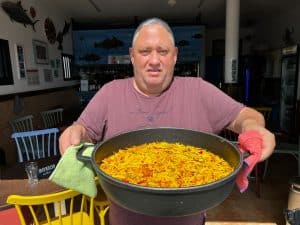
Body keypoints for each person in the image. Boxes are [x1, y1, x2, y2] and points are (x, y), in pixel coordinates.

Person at [59, 17, 275, 225]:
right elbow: (83, 131)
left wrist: (254, 129)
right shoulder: (109, 93)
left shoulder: (198, 90)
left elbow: (246, 116)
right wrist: (75, 132)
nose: (154, 60)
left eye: (163, 51)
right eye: (145, 52)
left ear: (174, 56)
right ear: (132, 56)